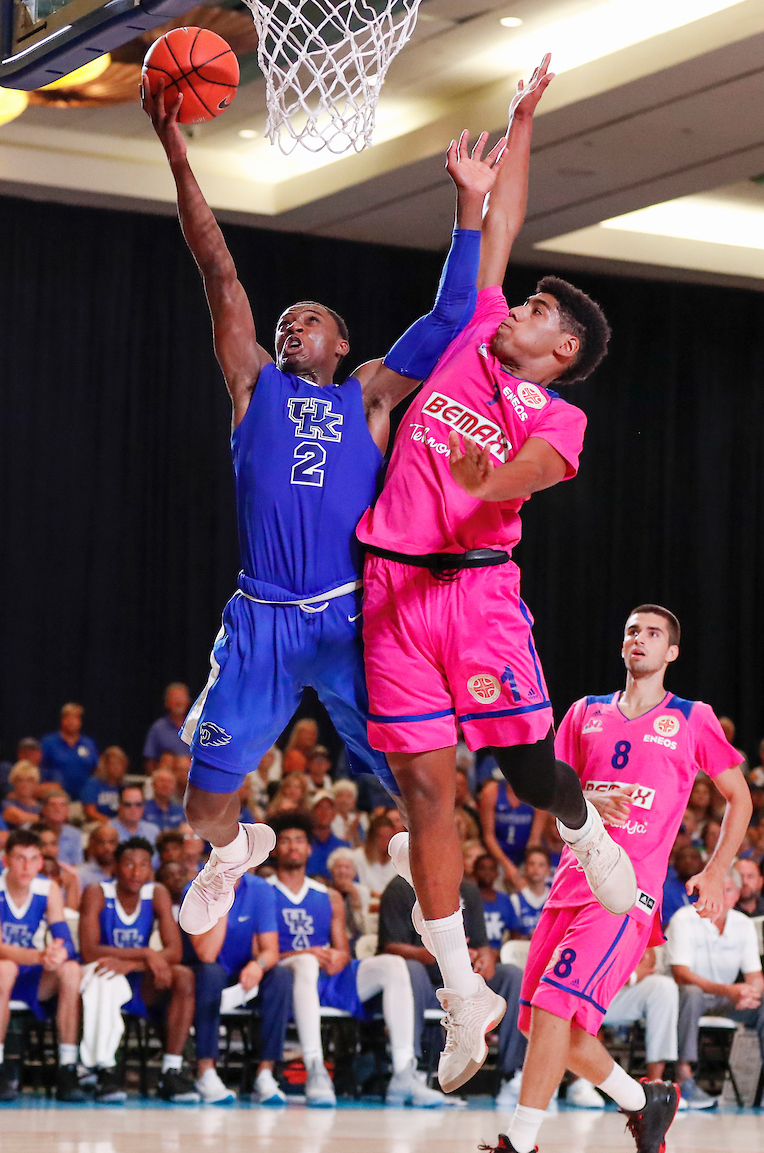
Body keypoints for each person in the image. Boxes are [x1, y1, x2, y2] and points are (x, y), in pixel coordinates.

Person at [141, 71, 509, 941]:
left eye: (309, 320)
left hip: (351, 621)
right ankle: (233, 852)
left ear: (344, 346)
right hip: (263, 619)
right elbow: (216, 265)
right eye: (286, 320)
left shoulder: (372, 398)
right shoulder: (252, 386)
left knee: (419, 785)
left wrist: (469, 210)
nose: (289, 325)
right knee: (201, 814)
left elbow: (456, 311)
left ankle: (459, 956)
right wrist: (174, 148)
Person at [356, 58, 638, 1096]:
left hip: (473, 597)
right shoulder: (473, 333)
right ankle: (461, 996)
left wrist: (486, 477)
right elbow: (503, 220)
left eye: (532, 312)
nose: (510, 305)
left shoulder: (557, 415)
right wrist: (522, 118)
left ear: (557, 349)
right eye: (514, 301)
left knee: (520, 770)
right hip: (391, 593)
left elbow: (532, 471)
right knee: (427, 791)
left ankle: (579, 822)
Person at [446, 604, 752, 1153]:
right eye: (632, 630)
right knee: (546, 1026)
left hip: (625, 892)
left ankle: (521, 1152)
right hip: (569, 882)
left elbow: (739, 798)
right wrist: (581, 796)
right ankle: (645, 1100)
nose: (640, 639)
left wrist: (716, 872)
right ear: (622, 644)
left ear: (672, 653)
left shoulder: (691, 718)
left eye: (654, 633)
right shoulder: (585, 712)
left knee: (556, 1010)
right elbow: (548, 791)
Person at [267, 813, 438, 1107]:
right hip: (286, 975)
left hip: (326, 975)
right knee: (307, 964)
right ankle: (315, 1070)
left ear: (309, 849)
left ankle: (403, 1073)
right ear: (274, 850)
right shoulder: (264, 890)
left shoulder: (329, 896)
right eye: (285, 841)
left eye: (299, 840)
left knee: (394, 965)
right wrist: (302, 954)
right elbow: (261, 951)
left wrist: (338, 956)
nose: (293, 846)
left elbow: (343, 949)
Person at [378, 872, 526, 1108]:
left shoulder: (468, 890)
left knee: (512, 975)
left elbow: (482, 945)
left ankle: (513, 1075)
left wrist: (486, 957)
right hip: (425, 979)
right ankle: (410, 1072)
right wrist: (439, 955)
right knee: (409, 970)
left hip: (463, 977)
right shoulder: (399, 887)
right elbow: (389, 947)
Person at [79, 837, 198, 1101]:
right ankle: (106, 1071)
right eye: (129, 864)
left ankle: (171, 1069)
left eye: (143, 865)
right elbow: (89, 950)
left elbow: (174, 951)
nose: (136, 872)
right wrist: (145, 953)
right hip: (103, 976)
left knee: (184, 976)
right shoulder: (97, 892)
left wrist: (134, 963)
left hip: (138, 980)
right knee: (104, 976)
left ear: (151, 869)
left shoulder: (157, 893)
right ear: (116, 867)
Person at [669, 865, 764, 1110]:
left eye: (729, 890)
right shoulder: (684, 918)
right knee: (691, 993)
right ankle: (684, 1075)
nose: (722, 895)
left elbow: (755, 976)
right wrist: (730, 990)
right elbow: (681, 974)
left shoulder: (743, 924)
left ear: (736, 895)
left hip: (727, 1000)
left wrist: (748, 992)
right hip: (687, 1000)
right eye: (718, 889)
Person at [187, 873, 293, 1104]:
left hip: (244, 974)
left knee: (281, 975)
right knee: (210, 972)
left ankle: (266, 1073)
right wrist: (223, 898)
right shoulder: (197, 888)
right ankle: (205, 1071)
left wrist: (258, 965)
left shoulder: (261, 889)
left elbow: (270, 950)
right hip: (206, 974)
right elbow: (207, 954)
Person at [0, 830, 85, 1102]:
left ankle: (68, 1067)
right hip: (5, 973)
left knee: (71, 970)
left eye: (33, 859)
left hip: (29, 976)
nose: (26, 866)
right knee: (5, 969)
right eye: (19, 859)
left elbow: (65, 940)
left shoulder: (47, 888)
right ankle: (2, 1066)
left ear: (40, 863)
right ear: (5, 860)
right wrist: (40, 956)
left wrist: (57, 953)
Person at [602, 948, 679, 1083]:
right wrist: (632, 977)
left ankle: (655, 1082)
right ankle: (579, 1083)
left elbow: (649, 956)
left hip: (618, 990)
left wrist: (636, 970)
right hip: (585, 986)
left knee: (664, 987)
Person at [40, 703, 98, 800]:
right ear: (62, 720)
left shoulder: (89, 743)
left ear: (80, 722)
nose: (72, 722)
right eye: (69, 718)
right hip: (55, 800)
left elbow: (96, 769)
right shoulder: (48, 742)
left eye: (76, 718)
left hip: (83, 801)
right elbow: (38, 768)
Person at [473, 853, 521, 949]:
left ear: (497, 873)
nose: (487, 872)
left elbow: (515, 932)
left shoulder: (505, 899)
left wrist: (503, 952)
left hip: (499, 955)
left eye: (491, 869)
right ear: (474, 871)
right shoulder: (468, 898)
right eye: (482, 868)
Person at [143, 684, 193, 772]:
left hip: (191, 777)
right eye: (174, 698)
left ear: (188, 701)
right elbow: (150, 762)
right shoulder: (158, 728)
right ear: (167, 703)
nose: (179, 702)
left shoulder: (197, 727)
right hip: (167, 778)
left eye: (181, 698)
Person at [30, 823, 80, 910]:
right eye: (43, 845)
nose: (49, 849)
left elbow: (71, 912)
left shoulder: (70, 875)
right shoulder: (25, 872)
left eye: (53, 844)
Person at [327, 847, 371, 942]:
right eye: (338, 867)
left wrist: (355, 899)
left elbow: (364, 927)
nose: (343, 871)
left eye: (347, 867)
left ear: (354, 873)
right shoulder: (325, 892)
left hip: (356, 938)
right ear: (332, 871)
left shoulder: (362, 891)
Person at [351, 815, 398, 900]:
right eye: (382, 837)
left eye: (389, 837)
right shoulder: (357, 857)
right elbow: (353, 884)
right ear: (372, 837)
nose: (386, 842)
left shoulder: (396, 858)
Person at [509, 846, 551, 936]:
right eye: (532, 864)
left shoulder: (554, 899)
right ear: (525, 869)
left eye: (541, 865)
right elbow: (512, 934)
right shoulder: (515, 899)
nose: (536, 868)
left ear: (548, 871)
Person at [80, 746, 129, 821]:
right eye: (113, 763)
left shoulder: (125, 786)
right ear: (105, 765)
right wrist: (110, 823)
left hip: (121, 824)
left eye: (120, 764)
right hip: (97, 823)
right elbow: (90, 812)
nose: (117, 767)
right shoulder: (93, 784)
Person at [306, 795, 350, 878]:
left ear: (334, 814)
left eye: (329, 808)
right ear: (312, 813)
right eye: (319, 808)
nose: (324, 812)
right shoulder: (303, 844)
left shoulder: (343, 846)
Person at [661, 845, 704, 927]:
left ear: (702, 864)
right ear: (675, 865)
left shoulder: (709, 890)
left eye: (693, 858)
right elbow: (667, 927)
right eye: (682, 858)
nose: (688, 861)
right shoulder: (666, 891)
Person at [39, 790, 82, 868]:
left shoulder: (74, 834)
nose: (58, 809)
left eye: (62, 805)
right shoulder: (30, 830)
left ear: (67, 810)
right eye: (53, 805)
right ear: (44, 809)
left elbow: (76, 865)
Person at [78, 823, 119, 891]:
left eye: (112, 842)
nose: (107, 848)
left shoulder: (125, 873)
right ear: (92, 845)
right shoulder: (79, 874)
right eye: (101, 842)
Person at [1, 762, 42, 829]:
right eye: (20, 780)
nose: (24, 785)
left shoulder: (40, 806)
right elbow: (20, 818)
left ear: (35, 783)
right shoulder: (6, 804)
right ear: (13, 782)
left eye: (29, 781)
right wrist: (45, 819)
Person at [143, 768, 185, 832]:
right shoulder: (143, 808)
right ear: (153, 784)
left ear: (174, 785)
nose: (166, 785)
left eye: (170, 782)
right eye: (162, 781)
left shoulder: (181, 811)